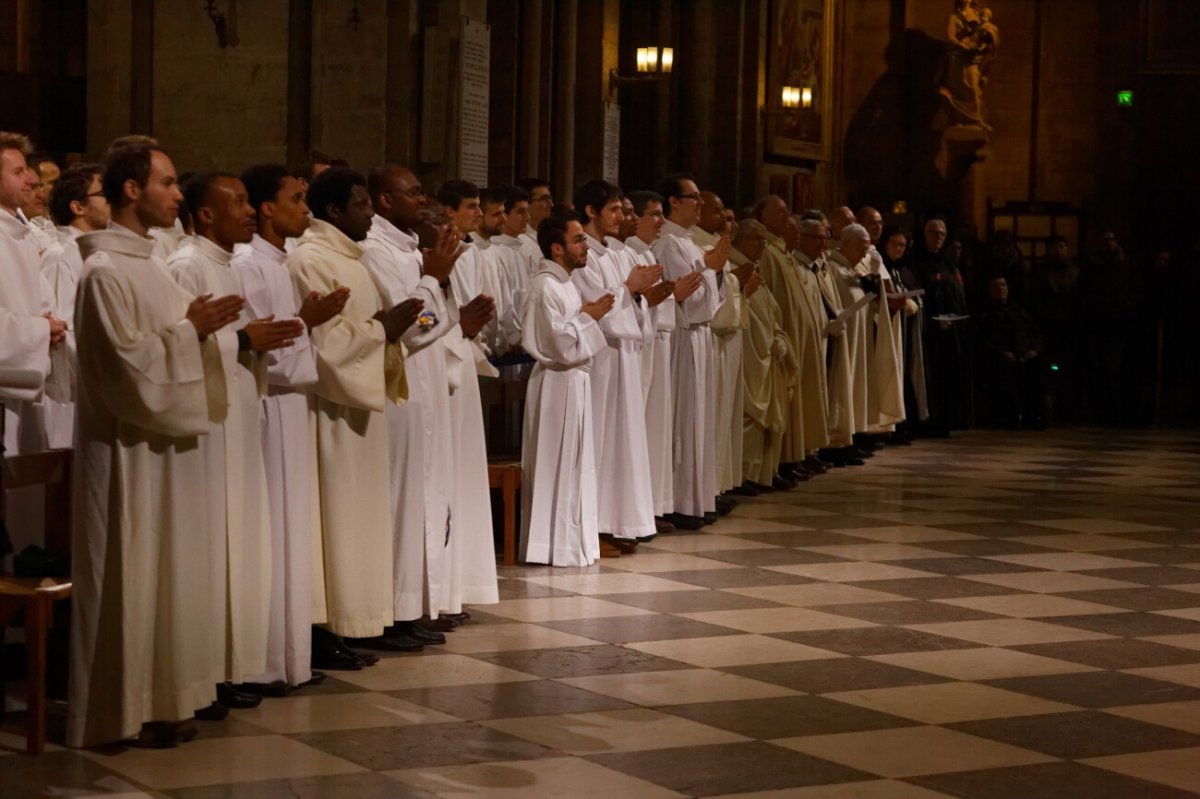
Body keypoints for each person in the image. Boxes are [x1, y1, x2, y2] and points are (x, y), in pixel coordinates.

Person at [68, 142, 246, 747]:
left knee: (170, 574)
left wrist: (202, 336)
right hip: (125, 453)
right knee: (126, 572)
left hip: (170, 449)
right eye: (167, 183)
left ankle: (167, 699)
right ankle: (115, 711)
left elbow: (178, 344)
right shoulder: (103, 273)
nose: (178, 195)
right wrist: (189, 331)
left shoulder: (150, 266)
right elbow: (125, 368)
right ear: (129, 190)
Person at [171, 172, 305, 708]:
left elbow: (243, 340)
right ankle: (202, 673)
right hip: (208, 422)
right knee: (212, 546)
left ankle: (226, 667)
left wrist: (256, 340)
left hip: (238, 413)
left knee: (238, 545)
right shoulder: (187, 265)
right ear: (205, 214)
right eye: (241, 202)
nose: (251, 211)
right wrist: (246, 339)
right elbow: (177, 343)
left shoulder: (226, 264)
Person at [287, 166, 420, 662]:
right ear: (333, 212)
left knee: (359, 519)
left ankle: (358, 623)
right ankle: (327, 628)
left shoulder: (354, 261)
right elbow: (321, 345)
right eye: (362, 206)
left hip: (363, 408)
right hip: (331, 412)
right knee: (333, 521)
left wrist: (387, 331)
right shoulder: (309, 261)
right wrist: (379, 331)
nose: (371, 214)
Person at [234, 163, 347, 687]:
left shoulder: (275, 264)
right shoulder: (250, 266)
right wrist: (307, 324)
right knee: (270, 534)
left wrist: (303, 323)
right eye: (297, 200)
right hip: (267, 408)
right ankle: (264, 663)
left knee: (290, 531)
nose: (306, 209)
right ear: (266, 209)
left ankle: (288, 658)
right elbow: (267, 354)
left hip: (289, 408)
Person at [361, 164, 469, 649]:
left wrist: (442, 289)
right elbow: (411, 324)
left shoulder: (408, 251)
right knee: (399, 502)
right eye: (414, 192)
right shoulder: (377, 252)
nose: (424, 201)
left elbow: (428, 317)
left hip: (421, 387)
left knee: (422, 499)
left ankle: (414, 605)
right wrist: (435, 282)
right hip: (397, 389)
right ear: (385, 200)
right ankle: (392, 610)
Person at [571, 180, 661, 554]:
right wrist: (630, 290)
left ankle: (620, 521)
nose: (622, 217)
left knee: (622, 441)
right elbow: (596, 307)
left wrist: (639, 293)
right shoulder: (583, 255)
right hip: (600, 357)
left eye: (624, 210)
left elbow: (631, 305)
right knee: (601, 442)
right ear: (591, 211)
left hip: (623, 355)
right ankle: (595, 525)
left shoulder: (618, 253)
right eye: (614, 210)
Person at [520, 212, 612, 565]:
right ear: (557, 248)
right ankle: (550, 547)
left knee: (575, 467)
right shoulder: (545, 286)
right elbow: (558, 343)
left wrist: (587, 317)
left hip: (574, 380)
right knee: (554, 466)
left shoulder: (566, 283)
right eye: (578, 240)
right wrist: (589, 318)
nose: (585, 245)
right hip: (556, 383)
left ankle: (572, 542)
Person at [436, 178, 500, 619]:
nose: (478, 214)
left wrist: (473, 328)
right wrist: (459, 325)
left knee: (465, 476)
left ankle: (462, 583)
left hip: (463, 361)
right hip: (439, 366)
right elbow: (432, 314)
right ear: (447, 211)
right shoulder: (433, 257)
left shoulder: (472, 253)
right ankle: (444, 586)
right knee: (446, 477)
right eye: (471, 206)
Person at [652, 174, 728, 527]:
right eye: (693, 197)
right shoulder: (668, 244)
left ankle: (697, 498)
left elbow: (708, 300)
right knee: (684, 419)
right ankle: (681, 501)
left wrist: (716, 272)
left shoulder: (689, 243)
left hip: (698, 336)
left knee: (698, 419)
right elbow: (690, 301)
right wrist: (711, 271)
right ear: (673, 201)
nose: (700, 203)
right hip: (683, 338)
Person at [755, 196, 830, 483]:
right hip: (784, 340)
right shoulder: (768, 253)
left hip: (798, 340)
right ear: (766, 221)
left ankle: (795, 456)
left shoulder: (783, 253)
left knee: (798, 402)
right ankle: (783, 461)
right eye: (783, 213)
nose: (791, 218)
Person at [0, 131, 66, 457]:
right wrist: (41, 330)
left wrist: (50, 325)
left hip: (25, 390)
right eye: (18, 172)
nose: (31, 179)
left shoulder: (24, 236)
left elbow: (44, 305)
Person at [625, 190, 685, 531]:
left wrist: (669, 297)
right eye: (655, 214)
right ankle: (642, 508)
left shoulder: (646, 251)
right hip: (641, 345)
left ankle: (653, 506)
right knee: (645, 424)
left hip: (657, 341)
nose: (661, 221)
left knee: (658, 426)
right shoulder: (631, 252)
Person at [694, 190, 748, 507]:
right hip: (709, 334)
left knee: (723, 414)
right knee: (710, 416)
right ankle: (709, 488)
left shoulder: (715, 243)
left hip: (726, 334)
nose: (724, 219)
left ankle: (719, 485)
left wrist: (737, 284)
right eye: (717, 211)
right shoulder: (698, 244)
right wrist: (733, 281)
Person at [730, 219, 792, 492]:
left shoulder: (754, 268)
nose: (763, 245)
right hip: (749, 352)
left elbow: (769, 311)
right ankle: (745, 475)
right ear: (740, 240)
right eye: (757, 239)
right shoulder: (735, 267)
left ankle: (764, 471)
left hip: (766, 350)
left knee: (767, 416)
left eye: (764, 240)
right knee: (749, 416)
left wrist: (778, 335)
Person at [914, 218, 970, 431]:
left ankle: (949, 418)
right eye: (933, 233)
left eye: (941, 234)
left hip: (951, 329)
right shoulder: (917, 262)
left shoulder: (948, 264)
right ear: (924, 234)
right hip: (927, 330)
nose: (937, 238)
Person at [976, 275, 1046, 428]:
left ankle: (1034, 416)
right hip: (1000, 357)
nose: (1000, 289)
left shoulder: (1019, 312)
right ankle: (1008, 416)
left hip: (1026, 356)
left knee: (1038, 369)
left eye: (1002, 285)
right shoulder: (984, 315)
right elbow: (981, 340)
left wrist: (1033, 350)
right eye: (995, 286)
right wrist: (1001, 352)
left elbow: (1036, 334)